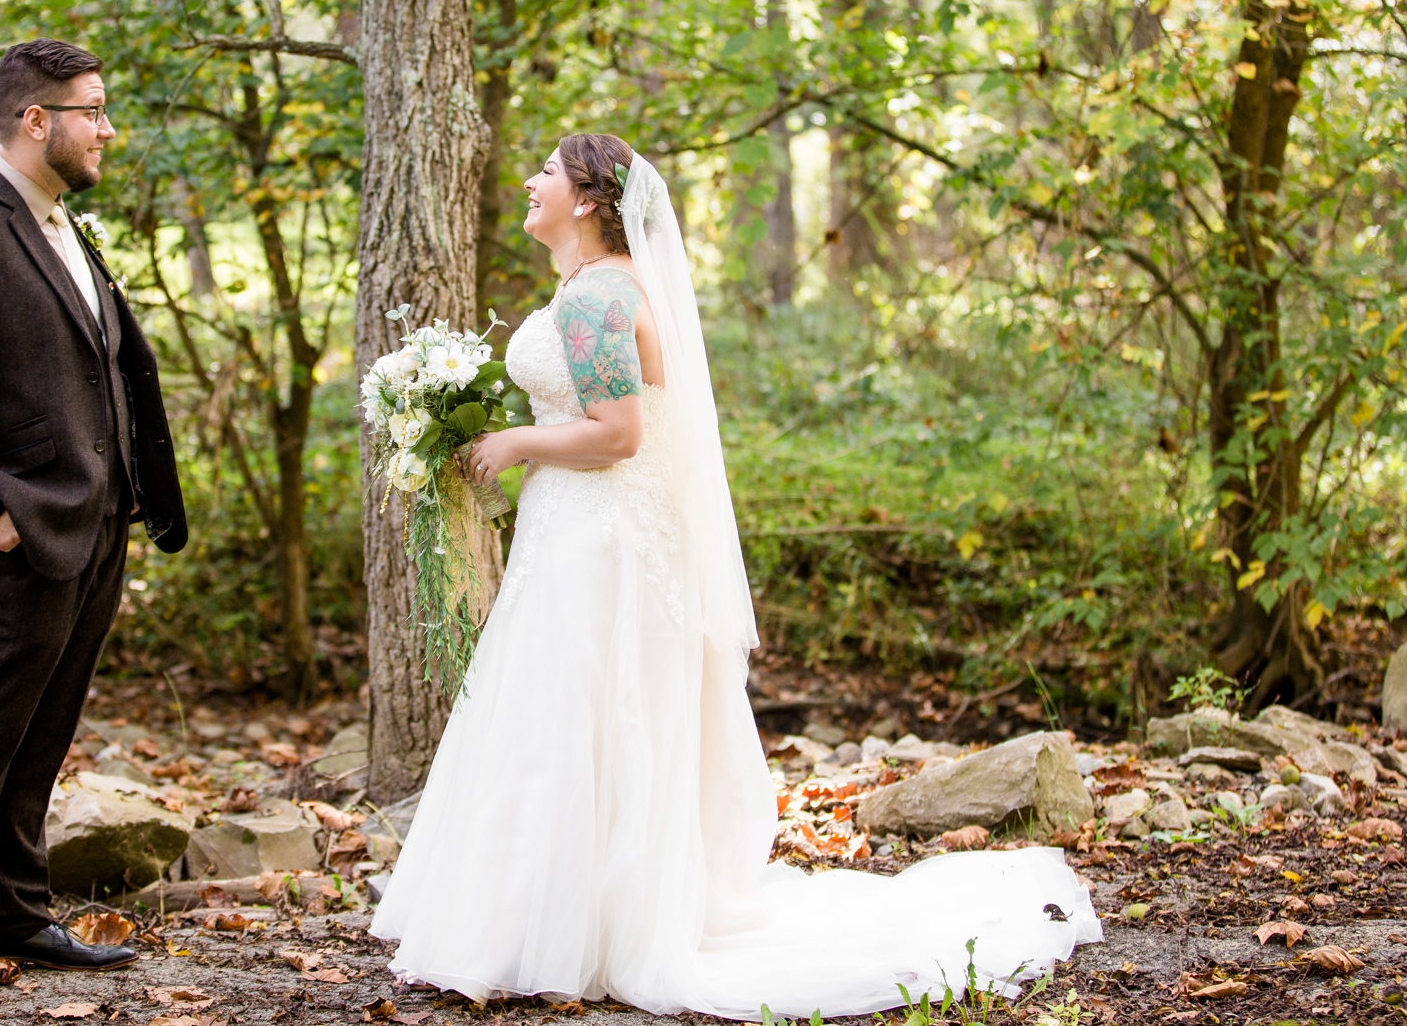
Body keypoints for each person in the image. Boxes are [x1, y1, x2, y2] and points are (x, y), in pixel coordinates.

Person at [368, 133, 1100, 1020]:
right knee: (563, 718)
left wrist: (513, 440)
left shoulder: (600, 296)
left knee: (578, 715)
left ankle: (572, 929)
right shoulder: (585, 288)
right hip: (572, 533)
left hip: (599, 542)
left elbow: (620, 433)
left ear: (592, 200)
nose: (531, 182)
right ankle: (547, 918)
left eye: (549, 174)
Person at [0, 39, 187, 997]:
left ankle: (12, 912)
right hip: (14, 528)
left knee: (44, 729)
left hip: (95, 524)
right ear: (34, 119)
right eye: (91, 110)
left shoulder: (64, 226)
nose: (106, 127)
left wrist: (128, 490)